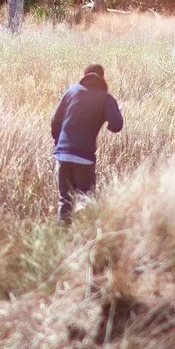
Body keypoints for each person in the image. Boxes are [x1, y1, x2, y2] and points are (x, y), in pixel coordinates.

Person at [49, 63, 125, 226]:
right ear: (102, 78)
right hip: (84, 157)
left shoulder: (71, 91)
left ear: (85, 76)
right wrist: (116, 112)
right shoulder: (106, 99)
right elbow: (116, 125)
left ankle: (63, 234)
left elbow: (55, 120)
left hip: (62, 155)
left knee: (65, 200)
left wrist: (59, 143)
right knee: (85, 198)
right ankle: (84, 229)